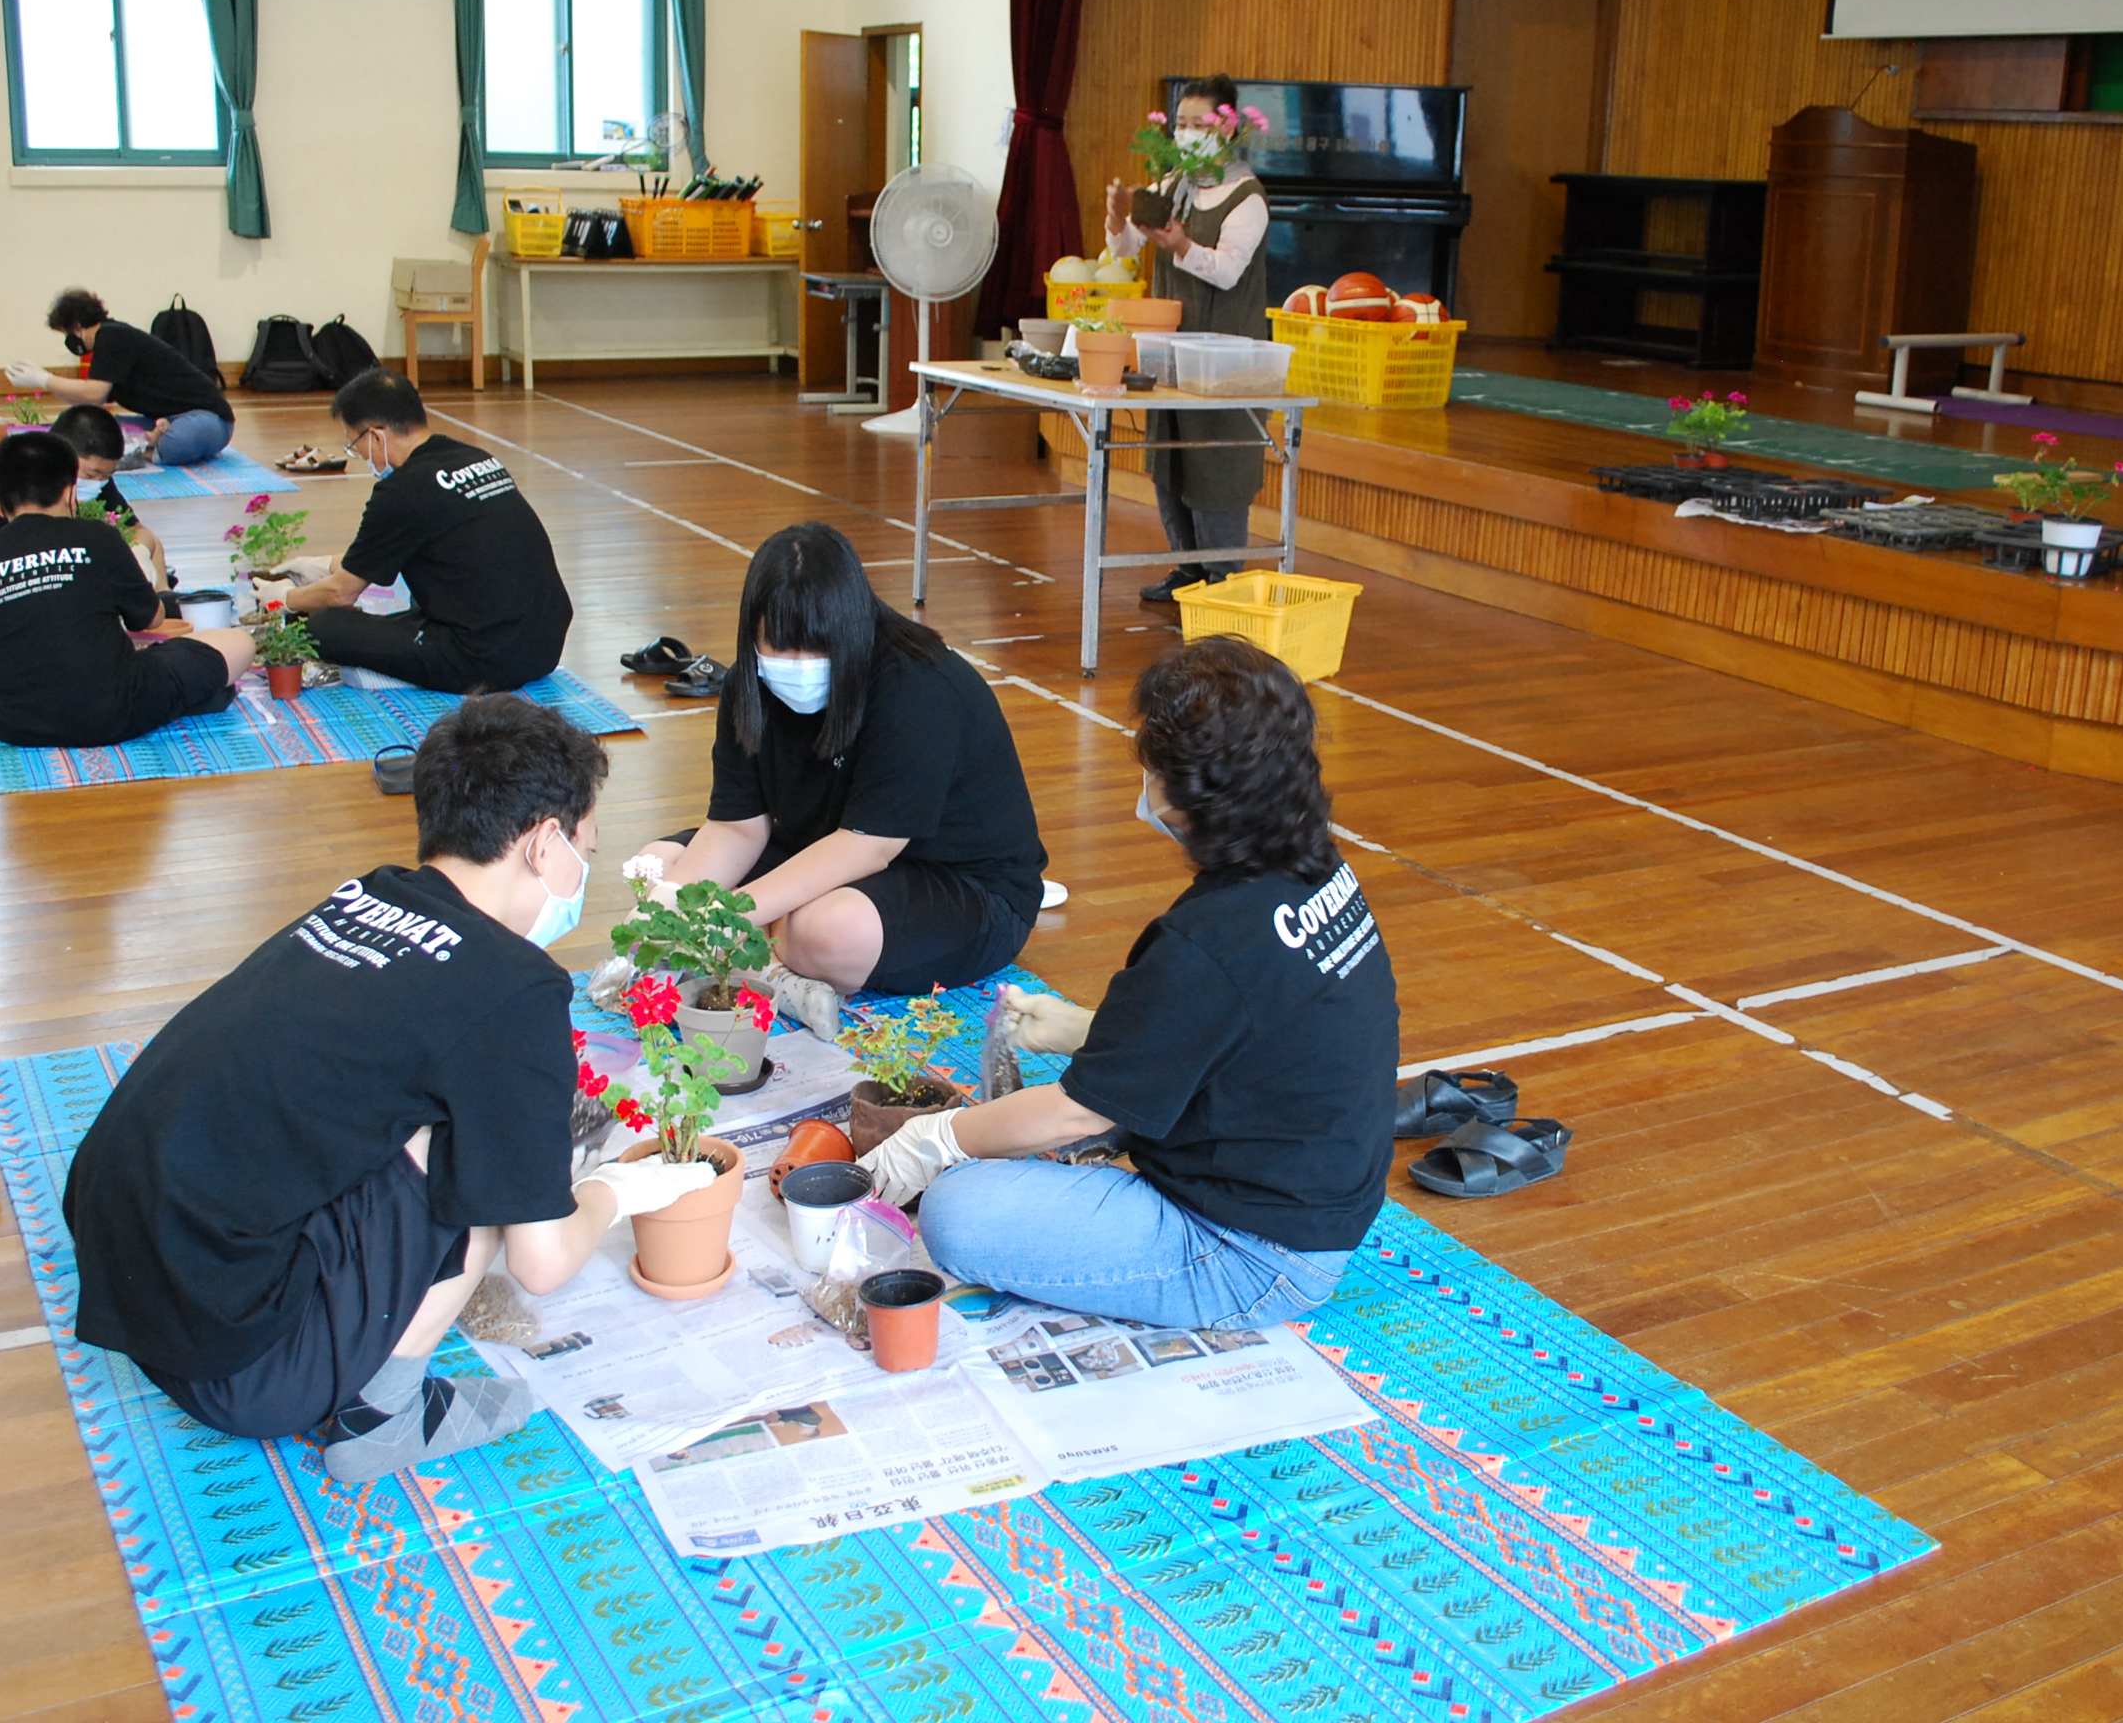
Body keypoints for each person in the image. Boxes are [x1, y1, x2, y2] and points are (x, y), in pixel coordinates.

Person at [62, 697, 720, 1482]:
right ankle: (385, 1419)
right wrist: (618, 1187)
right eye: (585, 846)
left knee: (439, 1110)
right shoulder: (513, 987)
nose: (583, 872)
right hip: (245, 1370)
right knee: (475, 1146)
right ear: (545, 843)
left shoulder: (365, 894)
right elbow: (542, 1264)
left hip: (136, 1289)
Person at [866, 636, 1397, 1329]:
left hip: (1248, 1256)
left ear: (1187, 791)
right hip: (1314, 1205)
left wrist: (938, 1138)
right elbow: (1242, 1024)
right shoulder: (1314, 864)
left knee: (959, 1209)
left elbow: (1073, 1113)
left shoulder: (1206, 942)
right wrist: (1088, 1028)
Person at [630, 522, 1046, 1008]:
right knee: (655, 868)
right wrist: (677, 907)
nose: (797, 662)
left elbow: (868, 849)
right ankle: (771, 962)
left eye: (817, 646)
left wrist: (729, 914)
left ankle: (760, 958)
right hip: (820, 848)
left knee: (826, 930)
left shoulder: (919, 686)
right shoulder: (751, 683)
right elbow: (737, 828)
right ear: (753, 633)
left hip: (957, 882)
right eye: (779, 645)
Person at [277, 370, 573, 693]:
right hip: (546, 642)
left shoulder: (401, 490)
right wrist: (320, 565)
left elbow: (340, 593)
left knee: (322, 626)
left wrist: (285, 599)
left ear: (376, 436)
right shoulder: (475, 457)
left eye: (355, 446)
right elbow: (394, 552)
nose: (361, 456)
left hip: (486, 660)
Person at [0, 433, 255, 747]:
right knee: (239, 642)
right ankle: (186, 699)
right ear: (72, 495)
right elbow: (151, 620)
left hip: (12, 724)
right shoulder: (96, 536)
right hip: (112, 714)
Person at [1101, 74, 1273, 604]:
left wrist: (1179, 244)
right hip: (1170, 347)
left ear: (1227, 129)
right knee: (1171, 455)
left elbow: (1226, 270)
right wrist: (1116, 214)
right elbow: (1126, 248)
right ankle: (1187, 569)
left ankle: (1223, 580)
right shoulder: (1171, 183)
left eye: (1200, 124)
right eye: (1180, 123)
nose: (1188, 133)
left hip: (1225, 355)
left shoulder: (1246, 197)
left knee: (1216, 462)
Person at [0, 406, 166, 628]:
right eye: (91, 474)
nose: (98, 483)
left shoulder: (81, 475)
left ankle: (166, 601)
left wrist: (139, 554)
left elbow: (137, 530)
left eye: (105, 476)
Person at [7, 289, 237, 467]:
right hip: (164, 420)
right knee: (103, 430)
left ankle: (150, 446)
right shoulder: (109, 338)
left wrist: (43, 379)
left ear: (76, 328)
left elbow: (93, 393)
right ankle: (152, 441)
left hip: (210, 420)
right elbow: (89, 402)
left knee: (178, 442)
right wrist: (46, 380)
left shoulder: (111, 336)